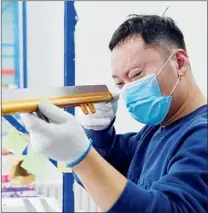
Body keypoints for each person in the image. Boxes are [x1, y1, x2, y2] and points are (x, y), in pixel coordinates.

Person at [21, 15, 207, 212]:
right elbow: (105, 175)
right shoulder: (154, 132)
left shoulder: (200, 135)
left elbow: (169, 208)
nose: (128, 90)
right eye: (120, 83)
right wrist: (98, 131)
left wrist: (80, 155)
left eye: (136, 75)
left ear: (179, 62)